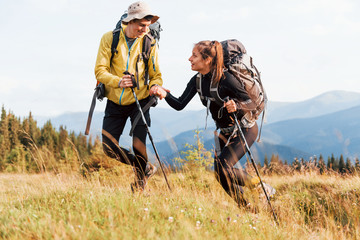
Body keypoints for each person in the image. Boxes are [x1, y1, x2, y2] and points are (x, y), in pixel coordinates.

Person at [152, 40, 275, 207]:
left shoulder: (227, 79)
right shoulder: (198, 80)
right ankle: (247, 208)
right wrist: (164, 94)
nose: (190, 59)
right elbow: (180, 104)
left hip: (245, 128)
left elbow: (252, 102)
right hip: (225, 131)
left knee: (224, 167)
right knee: (220, 174)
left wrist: (237, 106)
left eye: (194, 55)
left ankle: (260, 187)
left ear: (207, 59)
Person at [94, 1, 162, 191]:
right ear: (130, 21)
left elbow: (156, 74)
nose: (145, 29)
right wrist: (118, 81)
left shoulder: (149, 42)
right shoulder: (110, 38)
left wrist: (156, 86)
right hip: (115, 100)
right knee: (108, 147)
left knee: (139, 145)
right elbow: (99, 71)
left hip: (141, 100)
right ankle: (144, 167)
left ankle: (140, 186)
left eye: (148, 26)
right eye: (142, 25)